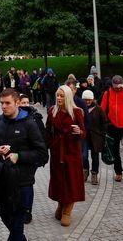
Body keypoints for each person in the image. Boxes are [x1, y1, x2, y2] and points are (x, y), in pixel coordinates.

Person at [0, 89, 48, 241]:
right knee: (5, 216)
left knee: (17, 223)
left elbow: (41, 153)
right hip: (1, 178)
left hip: (22, 181)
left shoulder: (29, 124)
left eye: (7, 103)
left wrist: (18, 156)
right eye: (1, 103)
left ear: (17, 103)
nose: (3, 106)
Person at [46, 85, 85, 227]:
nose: (59, 98)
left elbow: (84, 133)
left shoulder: (77, 112)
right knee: (59, 180)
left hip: (72, 151)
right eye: (57, 95)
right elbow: (47, 131)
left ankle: (67, 211)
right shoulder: (52, 111)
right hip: (57, 151)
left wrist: (78, 132)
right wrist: (50, 144)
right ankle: (60, 205)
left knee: (71, 181)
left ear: (68, 97)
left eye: (62, 96)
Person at [17, 93, 46, 224]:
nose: (25, 105)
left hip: (31, 157)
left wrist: (42, 157)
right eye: (22, 102)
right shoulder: (13, 117)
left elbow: (43, 138)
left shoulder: (35, 117)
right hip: (16, 157)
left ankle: (27, 210)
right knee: (17, 183)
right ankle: (18, 207)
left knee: (27, 183)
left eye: (27, 102)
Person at [82, 90, 108, 185]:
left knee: (95, 156)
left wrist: (102, 133)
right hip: (84, 136)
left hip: (96, 137)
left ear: (92, 99)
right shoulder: (81, 108)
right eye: (85, 100)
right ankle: (85, 170)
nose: (87, 102)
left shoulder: (98, 109)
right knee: (84, 155)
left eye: (89, 100)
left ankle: (94, 173)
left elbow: (104, 122)